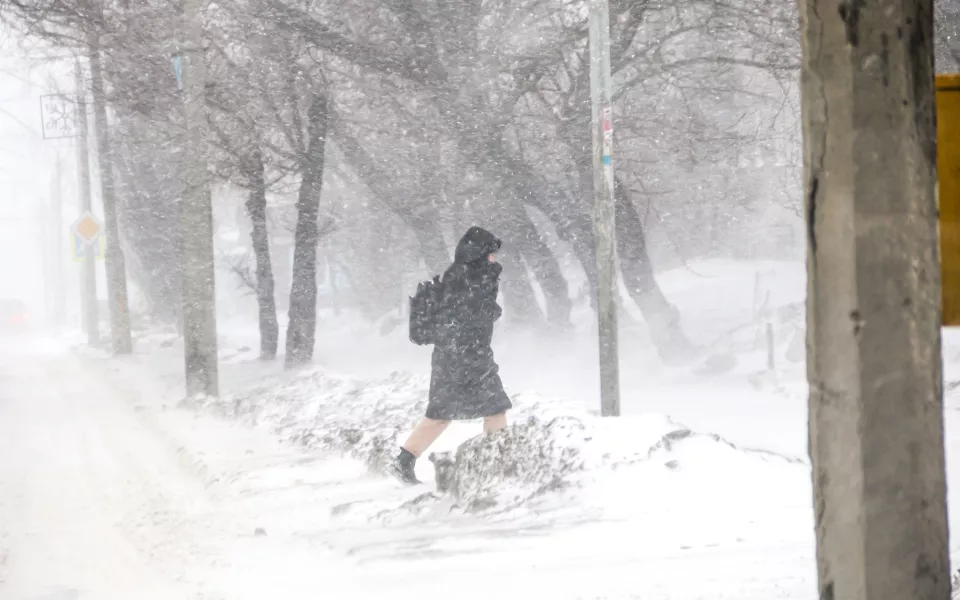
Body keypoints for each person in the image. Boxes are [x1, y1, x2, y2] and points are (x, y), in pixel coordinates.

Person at [390, 226, 512, 485]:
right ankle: (498, 461)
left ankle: (404, 460)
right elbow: (468, 316)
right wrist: (490, 311)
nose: (495, 259)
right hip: (466, 356)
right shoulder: (469, 277)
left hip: (455, 355)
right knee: (494, 408)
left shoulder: (467, 274)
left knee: (443, 412)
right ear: (480, 254)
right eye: (491, 254)